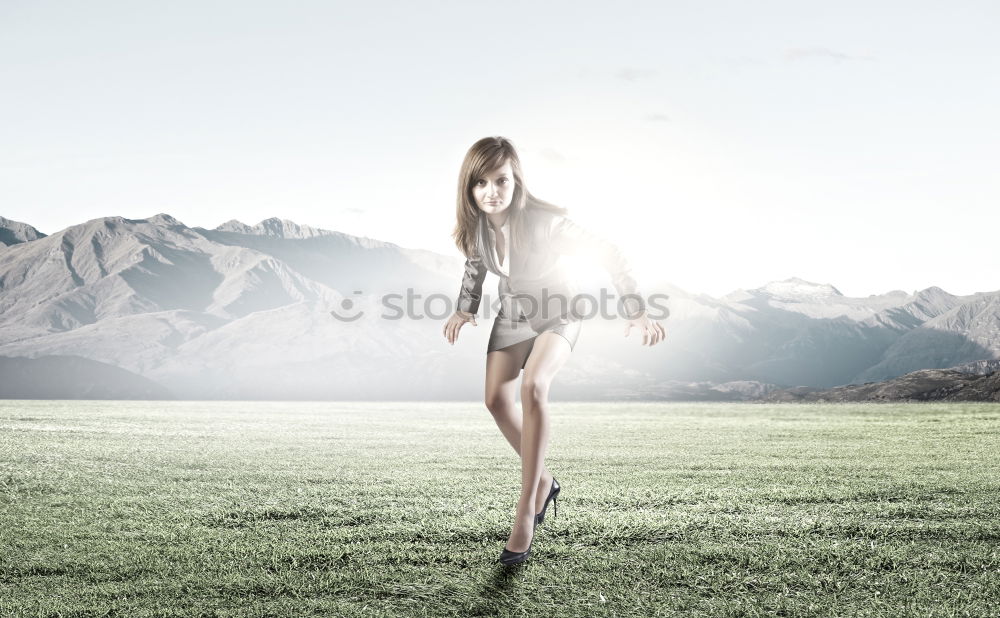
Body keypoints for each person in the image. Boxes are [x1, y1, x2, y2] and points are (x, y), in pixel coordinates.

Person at [442, 136, 666, 566]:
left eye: (501, 180)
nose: (492, 191)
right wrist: (463, 309)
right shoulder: (476, 227)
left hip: (559, 311)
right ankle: (544, 482)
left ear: (517, 180)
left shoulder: (545, 223)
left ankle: (525, 512)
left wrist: (635, 309)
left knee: (534, 386)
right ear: (469, 188)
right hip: (513, 314)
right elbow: (474, 266)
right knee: (494, 400)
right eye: (481, 183)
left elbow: (609, 251)